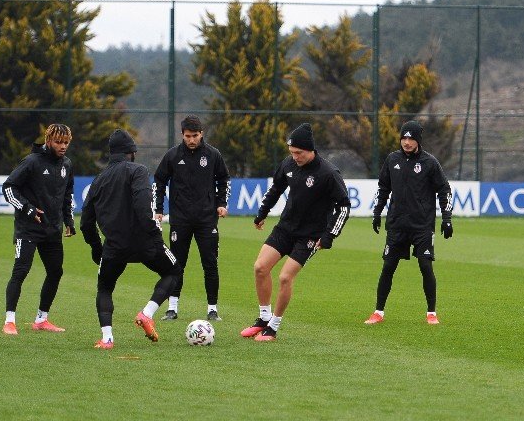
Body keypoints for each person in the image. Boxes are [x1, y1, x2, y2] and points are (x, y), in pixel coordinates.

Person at [240, 123, 351, 342]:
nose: (295, 157)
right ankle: (263, 318)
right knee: (260, 267)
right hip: (286, 228)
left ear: (310, 150)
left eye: (299, 153)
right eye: (292, 153)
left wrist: (329, 235)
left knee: (284, 277)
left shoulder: (328, 173)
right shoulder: (288, 165)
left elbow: (344, 206)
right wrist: (262, 212)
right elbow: (276, 189)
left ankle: (273, 327)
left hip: (310, 236)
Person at [80, 129, 179, 349]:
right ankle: (147, 313)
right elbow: (143, 205)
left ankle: (107, 338)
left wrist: (97, 249)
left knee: (105, 288)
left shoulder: (98, 180)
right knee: (173, 271)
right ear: (131, 152)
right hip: (145, 241)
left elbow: (86, 223)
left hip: (114, 247)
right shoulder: (138, 170)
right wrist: (153, 233)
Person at [364, 120, 453, 325]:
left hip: (422, 226)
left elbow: (444, 190)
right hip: (397, 225)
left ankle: (431, 313)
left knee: (425, 266)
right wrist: (377, 213)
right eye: (404, 137)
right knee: (388, 266)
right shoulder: (392, 159)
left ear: (418, 140)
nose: (406, 142)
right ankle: (378, 312)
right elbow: (383, 188)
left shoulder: (430, 163)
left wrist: (446, 219)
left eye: (411, 138)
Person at [153, 114, 231, 322]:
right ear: (182, 135)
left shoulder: (213, 155)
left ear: (201, 134)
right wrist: (158, 208)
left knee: (210, 264)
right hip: (180, 219)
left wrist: (222, 203)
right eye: (188, 136)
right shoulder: (172, 156)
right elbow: (159, 180)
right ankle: (172, 308)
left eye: (195, 135)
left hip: (207, 220)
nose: (191, 140)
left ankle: (212, 309)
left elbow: (224, 178)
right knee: (177, 265)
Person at [1, 123, 75, 335]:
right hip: (28, 229)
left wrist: (68, 221)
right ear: (48, 141)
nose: (63, 146)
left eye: (66, 143)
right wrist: (28, 209)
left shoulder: (67, 165)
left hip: (52, 230)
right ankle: (9, 321)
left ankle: (41, 319)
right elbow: (8, 188)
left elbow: (67, 195)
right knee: (21, 271)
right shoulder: (32, 161)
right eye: (59, 142)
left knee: (55, 272)